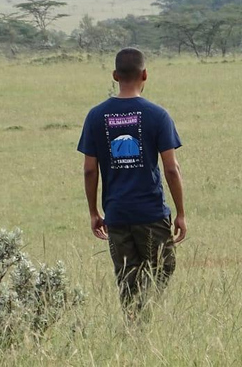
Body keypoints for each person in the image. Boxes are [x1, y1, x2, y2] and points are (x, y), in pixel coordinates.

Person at [77, 48, 186, 314]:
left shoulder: (95, 115)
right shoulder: (158, 115)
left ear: (115, 76)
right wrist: (181, 213)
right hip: (151, 212)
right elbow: (171, 169)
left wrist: (94, 211)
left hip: (116, 212)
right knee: (163, 267)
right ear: (145, 75)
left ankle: (135, 321)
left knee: (127, 277)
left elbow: (90, 170)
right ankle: (147, 312)